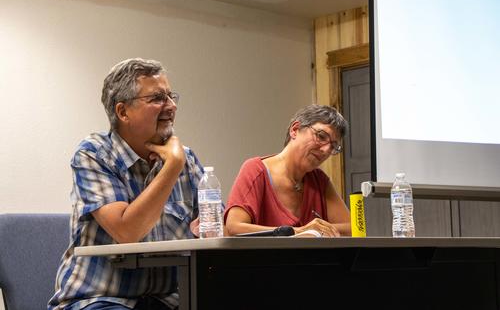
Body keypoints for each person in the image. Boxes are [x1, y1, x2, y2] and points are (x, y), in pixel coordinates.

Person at [48, 58, 204, 310]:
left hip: (166, 300)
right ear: (123, 112)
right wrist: (172, 167)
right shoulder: (94, 154)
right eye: (157, 98)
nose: (171, 106)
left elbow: (216, 228)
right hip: (100, 299)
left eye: (171, 96)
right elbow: (128, 231)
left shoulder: (186, 158)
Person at [224, 104, 351, 237]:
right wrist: (299, 231)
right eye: (321, 136)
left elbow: (352, 228)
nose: (326, 150)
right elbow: (234, 227)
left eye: (333, 146)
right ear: (295, 130)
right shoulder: (256, 170)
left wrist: (319, 229)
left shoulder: (319, 180)